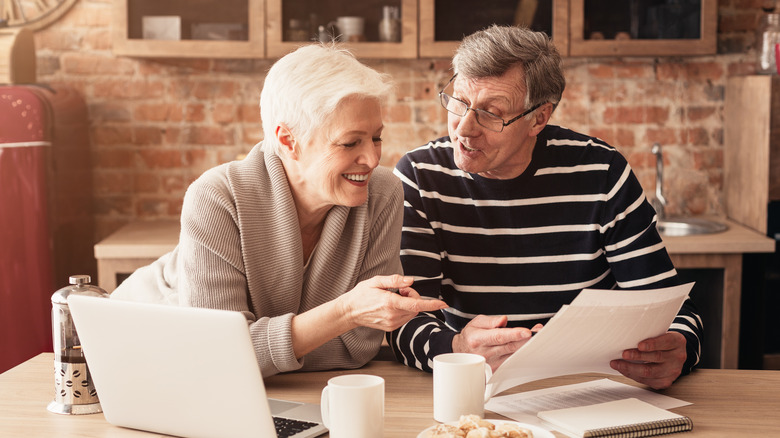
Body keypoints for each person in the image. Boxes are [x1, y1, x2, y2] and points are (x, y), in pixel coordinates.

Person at [387, 25, 702, 390]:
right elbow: (404, 320)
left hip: (590, 385)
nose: (465, 128)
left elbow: (670, 308)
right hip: (475, 385)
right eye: (459, 102)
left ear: (539, 118)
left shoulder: (601, 172)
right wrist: (456, 347)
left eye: (491, 113)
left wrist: (679, 346)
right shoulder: (420, 176)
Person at [111, 44, 446, 377]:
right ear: (288, 141)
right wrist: (344, 313)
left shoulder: (383, 193)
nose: (372, 159)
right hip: (133, 357)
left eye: (376, 138)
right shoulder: (216, 197)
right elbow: (216, 357)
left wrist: (254, 348)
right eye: (350, 142)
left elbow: (358, 348)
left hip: (261, 387)